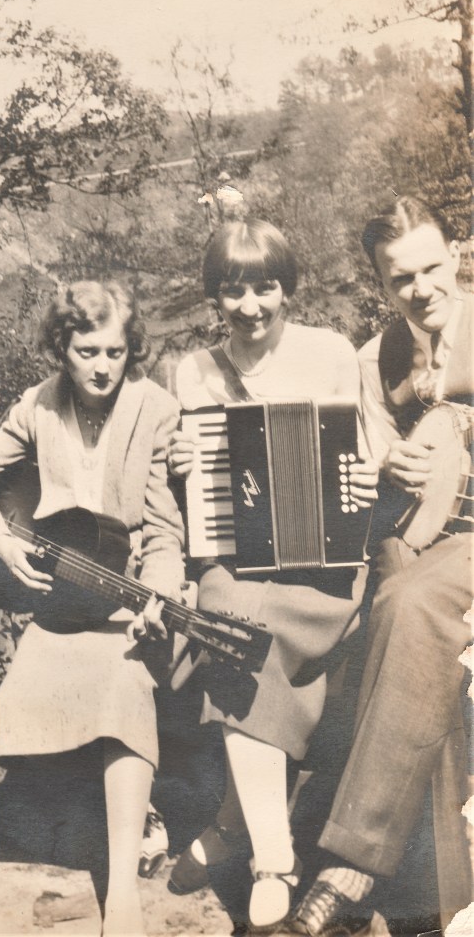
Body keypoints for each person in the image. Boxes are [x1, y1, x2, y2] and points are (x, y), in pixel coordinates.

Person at [0, 280, 186, 936]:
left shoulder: (154, 409)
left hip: (128, 598)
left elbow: (164, 534)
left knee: (121, 687)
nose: (102, 366)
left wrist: (158, 596)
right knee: (30, 694)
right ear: (62, 347)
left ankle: (125, 897)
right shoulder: (37, 405)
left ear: (130, 349)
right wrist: (0, 538)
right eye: (87, 351)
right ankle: (108, 832)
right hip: (61, 603)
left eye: (115, 351)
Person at [167, 218, 378, 930]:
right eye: (233, 291)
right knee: (230, 623)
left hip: (323, 563)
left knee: (247, 630)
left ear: (287, 288)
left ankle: (233, 828)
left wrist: (361, 477)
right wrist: (184, 467)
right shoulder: (193, 371)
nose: (251, 306)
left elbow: (360, 456)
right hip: (234, 558)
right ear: (214, 296)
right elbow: (195, 485)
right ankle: (273, 858)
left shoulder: (329, 352)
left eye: (265, 288)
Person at [283, 196, 473, 936]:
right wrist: (383, 471)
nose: (421, 289)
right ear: (381, 284)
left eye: (430, 268)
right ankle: (426, 910)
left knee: (408, 608)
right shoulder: (376, 360)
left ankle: (351, 862)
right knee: (398, 604)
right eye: (401, 279)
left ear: (456, 253)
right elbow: (367, 481)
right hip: (423, 541)